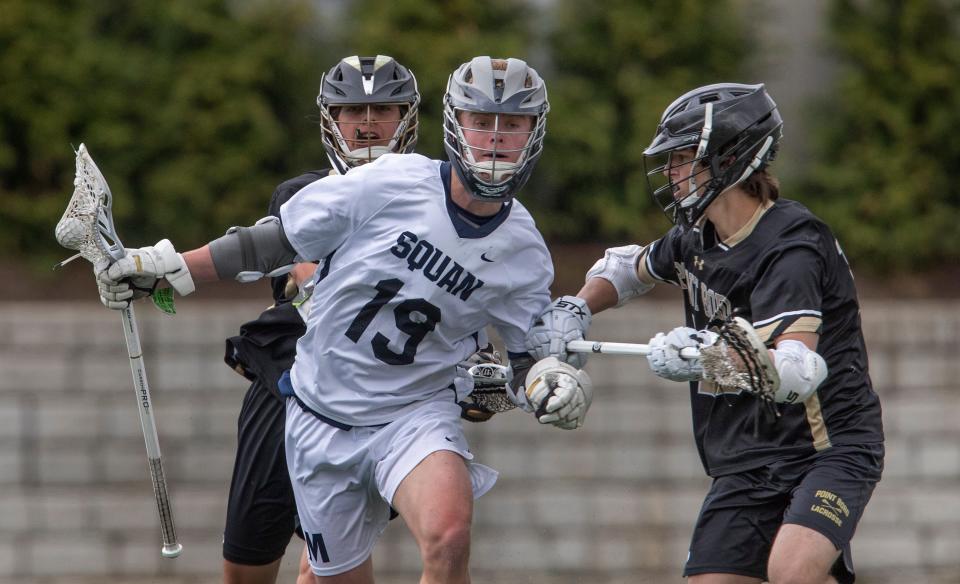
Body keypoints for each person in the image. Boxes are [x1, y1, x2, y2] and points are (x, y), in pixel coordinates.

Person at [95, 56, 593, 584]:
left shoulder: (524, 251)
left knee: (449, 534)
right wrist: (163, 267)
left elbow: (523, 361)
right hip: (320, 416)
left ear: (535, 132)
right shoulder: (390, 181)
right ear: (454, 123)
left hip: (413, 415)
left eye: (512, 124)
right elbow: (272, 244)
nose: (495, 139)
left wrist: (543, 382)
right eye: (482, 121)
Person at [529, 83, 884, 584]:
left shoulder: (792, 247)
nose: (671, 174)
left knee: (792, 572)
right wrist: (574, 308)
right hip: (747, 456)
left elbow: (798, 371)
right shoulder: (698, 236)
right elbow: (629, 268)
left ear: (729, 158)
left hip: (825, 447)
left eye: (681, 159)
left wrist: (709, 358)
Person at [219, 55, 420, 584]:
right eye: (353, 107)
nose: (368, 120)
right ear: (331, 117)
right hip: (286, 389)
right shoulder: (299, 194)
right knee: (246, 566)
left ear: (408, 118)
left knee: (324, 567)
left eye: (384, 108)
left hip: (374, 399)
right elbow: (303, 278)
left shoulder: (434, 199)